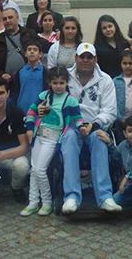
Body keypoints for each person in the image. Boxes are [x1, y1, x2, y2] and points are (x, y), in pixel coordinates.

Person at [60, 43, 122, 214]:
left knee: (99, 138)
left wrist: (93, 125)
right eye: (82, 57)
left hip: (95, 125)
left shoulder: (106, 80)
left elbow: (110, 111)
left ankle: (104, 197)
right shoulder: (65, 76)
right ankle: (71, 197)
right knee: (69, 138)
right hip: (71, 125)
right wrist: (73, 123)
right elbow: (58, 102)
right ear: (76, 58)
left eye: (89, 57)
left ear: (95, 59)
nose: (85, 60)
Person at [21, 67, 83, 217]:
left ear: (67, 83)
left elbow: (78, 118)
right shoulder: (44, 96)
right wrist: (30, 128)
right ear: (49, 83)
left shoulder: (70, 101)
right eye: (55, 83)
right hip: (39, 136)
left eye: (62, 83)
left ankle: (47, 202)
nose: (58, 86)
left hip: (54, 138)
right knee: (33, 169)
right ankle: (33, 202)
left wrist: (82, 128)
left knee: (41, 170)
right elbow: (31, 111)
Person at [0, 8, 38, 83]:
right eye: (4, 19)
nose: (8, 21)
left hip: (29, 78)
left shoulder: (29, 34)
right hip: (7, 81)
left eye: (10, 17)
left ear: (17, 17)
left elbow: (42, 46)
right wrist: (1, 74)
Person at [13, 41, 45, 115]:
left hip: (39, 112)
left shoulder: (45, 73)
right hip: (21, 111)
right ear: (25, 54)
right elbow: (14, 92)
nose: (32, 52)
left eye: (35, 49)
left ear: (40, 54)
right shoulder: (19, 72)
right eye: (29, 49)